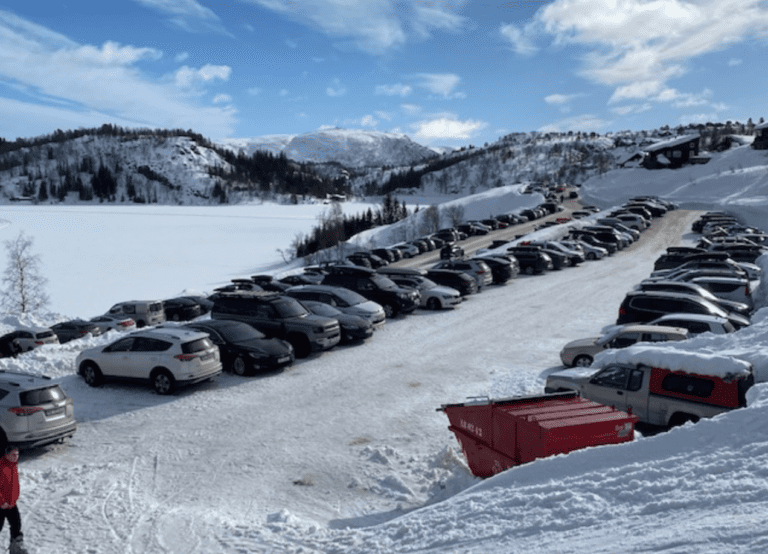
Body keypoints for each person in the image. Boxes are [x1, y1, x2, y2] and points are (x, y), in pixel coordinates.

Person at [0, 445, 28, 554]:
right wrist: (2, 501)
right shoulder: (1, 467)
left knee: (16, 524)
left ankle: (15, 548)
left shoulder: (13, 465)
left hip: (11, 503)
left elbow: (15, 485)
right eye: (13, 455)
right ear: (7, 454)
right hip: (1, 504)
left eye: (17, 455)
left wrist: (14, 498)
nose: (16, 457)